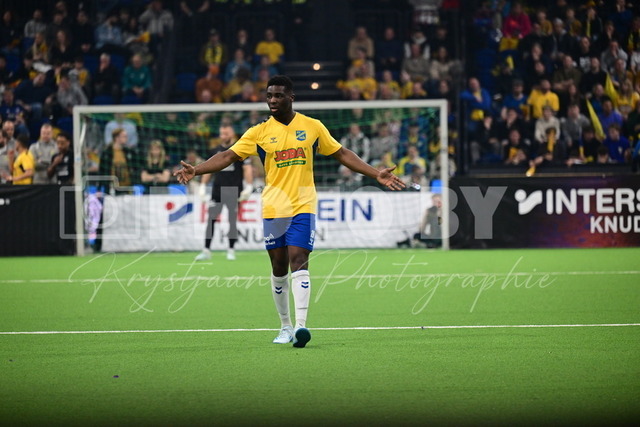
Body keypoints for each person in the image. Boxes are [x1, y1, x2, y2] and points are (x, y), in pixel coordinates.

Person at [174, 75, 405, 348]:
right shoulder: (258, 132)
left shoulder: (312, 127)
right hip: (274, 207)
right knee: (279, 266)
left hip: (303, 205)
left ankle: (300, 326)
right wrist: (197, 169)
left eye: (278, 95)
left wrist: (376, 173)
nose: (272, 100)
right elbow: (227, 156)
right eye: (269, 95)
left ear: (291, 98)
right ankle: (284, 325)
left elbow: (342, 153)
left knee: (299, 259)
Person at [195, 124, 253, 262]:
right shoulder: (215, 151)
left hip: (233, 190)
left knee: (232, 220)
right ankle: (206, 250)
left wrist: (249, 186)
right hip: (217, 190)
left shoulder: (239, 150)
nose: (223, 136)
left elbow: (247, 168)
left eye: (226, 133)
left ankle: (231, 250)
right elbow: (208, 169)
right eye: (221, 133)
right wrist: (202, 185)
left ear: (232, 134)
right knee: (211, 219)